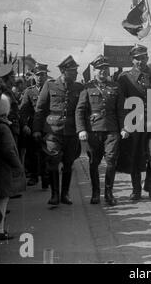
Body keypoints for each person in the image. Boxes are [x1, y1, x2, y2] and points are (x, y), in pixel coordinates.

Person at [116, 45, 151, 201]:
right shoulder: (124, 78)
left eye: (143, 57)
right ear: (132, 60)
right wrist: (124, 125)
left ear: (147, 58)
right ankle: (136, 189)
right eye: (137, 58)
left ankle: (150, 185)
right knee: (135, 156)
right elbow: (120, 103)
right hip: (134, 123)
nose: (141, 61)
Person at [33, 55, 83, 205]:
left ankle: (65, 194)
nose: (76, 74)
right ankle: (54, 194)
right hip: (53, 131)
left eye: (76, 71)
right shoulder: (50, 85)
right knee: (53, 160)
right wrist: (36, 129)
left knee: (68, 163)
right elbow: (40, 110)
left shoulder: (79, 87)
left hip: (71, 132)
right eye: (73, 71)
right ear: (63, 71)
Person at [76, 55, 125, 205]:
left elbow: (121, 111)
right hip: (93, 130)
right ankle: (96, 193)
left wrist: (124, 127)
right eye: (100, 69)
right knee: (94, 162)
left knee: (111, 161)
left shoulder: (116, 87)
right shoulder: (88, 87)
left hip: (112, 130)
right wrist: (81, 130)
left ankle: (109, 193)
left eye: (105, 68)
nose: (103, 71)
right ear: (94, 70)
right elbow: (80, 110)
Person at [0, 93, 25, 240]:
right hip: (4, 168)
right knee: (3, 198)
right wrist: (18, 166)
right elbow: (8, 150)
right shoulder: (3, 127)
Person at [20, 63, 51, 188]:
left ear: (46, 75)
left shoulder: (51, 88)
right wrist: (24, 125)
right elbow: (23, 111)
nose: (40, 78)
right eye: (37, 75)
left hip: (48, 125)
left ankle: (45, 177)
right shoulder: (29, 91)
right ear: (34, 76)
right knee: (32, 152)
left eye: (42, 75)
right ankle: (33, 176)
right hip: (33, 126)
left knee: (47, 153)